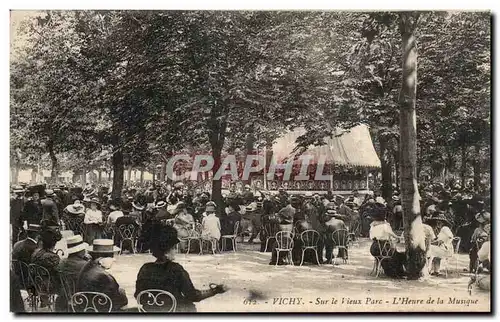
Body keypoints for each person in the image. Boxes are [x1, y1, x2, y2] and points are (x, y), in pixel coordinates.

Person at [134, 223, 227, 312]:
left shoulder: (145, 268)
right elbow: (193, 296)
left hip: (150, 313)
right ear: (166, 251)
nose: (175, 251)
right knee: (190, 307)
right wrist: (215, 290)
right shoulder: (176, 269)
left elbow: (138, 295)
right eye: (174, 248)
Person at [77, 239, 128, 312]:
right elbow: (119, 300)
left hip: (84, 307)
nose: (113, 260)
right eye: (111, 257)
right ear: (101, 259)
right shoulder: (105, 276)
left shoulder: (86, 267)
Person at [55, 234, 90, 312]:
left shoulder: (61, 262)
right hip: (82, 297)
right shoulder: (85, 265)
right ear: (80, 251)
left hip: (64, 295)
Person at [31, 225, 63, 307]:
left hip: (34, 283)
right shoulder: (52, 257)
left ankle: (44, 300)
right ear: (54, 243)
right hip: (48, 286)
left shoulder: (36, 252)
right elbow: (59, 272)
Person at [368, 208, 406, 278]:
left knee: (388, 255)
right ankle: (397, 273)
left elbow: (371, 237)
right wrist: (399, 237)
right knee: (399, 255)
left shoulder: (372, 225)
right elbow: (392, 235)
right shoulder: (385, 226)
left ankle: (389, 271)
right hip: (383, 247)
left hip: (374, 248)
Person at [427, 212, 454, 276]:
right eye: (437, 222)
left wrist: (445, 243)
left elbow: (451, 237)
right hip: (442, 248)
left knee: (430, 249)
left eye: (440, 222)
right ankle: (436, 271)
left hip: (446, 249)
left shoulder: (445, 228)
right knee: (432, 249)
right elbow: (437, 240)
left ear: (443, 222)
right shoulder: (441, 230)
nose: (438, 223)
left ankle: (428, 269)